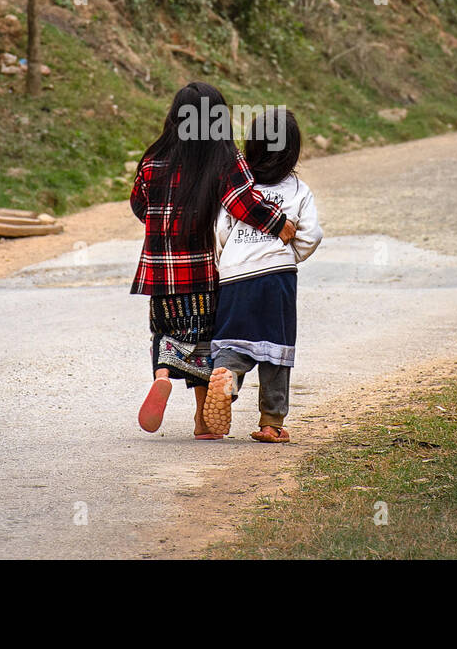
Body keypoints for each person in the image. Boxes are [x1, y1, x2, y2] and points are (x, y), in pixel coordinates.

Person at [131, 83, 296, 438]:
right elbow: (243, 202)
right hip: (202, 269)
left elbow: (139, 204)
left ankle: (162, 376)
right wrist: (279, 223)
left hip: (160, 271)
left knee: (166, 333)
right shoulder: (223, 157)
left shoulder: (153, 158)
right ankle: (203, 421)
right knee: (204, 341)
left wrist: (163, 227)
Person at [202, 108, 320, 443]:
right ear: (293, 151)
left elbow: (219, 232)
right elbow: (312, 235)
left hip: (235, 276)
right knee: (276, 350)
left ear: (250, 146)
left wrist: (226, 265)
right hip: (276, 278)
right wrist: (287, 256)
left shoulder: (238, 189)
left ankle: (228, 375)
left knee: (233, 339)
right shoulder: (298, 190)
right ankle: (271, 423)